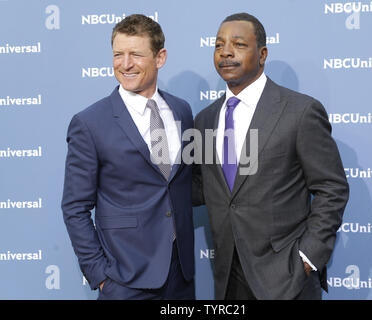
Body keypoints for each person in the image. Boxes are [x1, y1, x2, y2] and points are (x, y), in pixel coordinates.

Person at [192, 12, 349, 300]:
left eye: (238, 44)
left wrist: (308, 258)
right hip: (228, 278)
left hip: (288, 277)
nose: (225, 51)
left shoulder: (300, 111)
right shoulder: (205, 119)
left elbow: (332, 188)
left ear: (262, 54)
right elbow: (204, 187)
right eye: (218, 45)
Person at [61, 14, 195, 300]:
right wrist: (100, 276)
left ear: (160, 58)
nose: (125, 64)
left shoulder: (181, 111)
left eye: (135, 54)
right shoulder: (89, 123)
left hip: (180, 277)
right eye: (118, 54)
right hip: (125, 281)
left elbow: (179, 184)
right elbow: (75, 207)